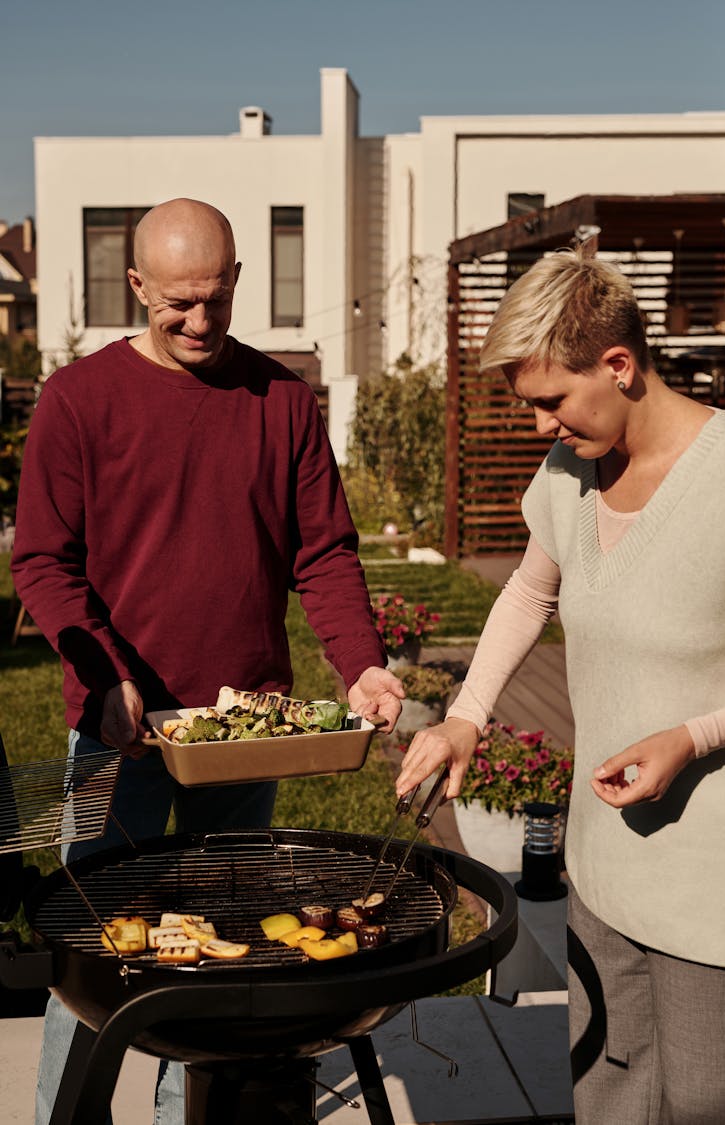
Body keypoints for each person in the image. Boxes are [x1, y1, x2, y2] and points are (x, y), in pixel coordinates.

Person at [11, 197, 404, 1125]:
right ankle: (69, 1116)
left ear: (236, 282)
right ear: (137, 286)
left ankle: (192, 1111)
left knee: (222, 943)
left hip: (240, 736)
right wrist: (106, 676)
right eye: (175, 303)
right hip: (121, 731)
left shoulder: (283, 403)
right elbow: (41, 560)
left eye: (214, 300)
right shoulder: (78, 401)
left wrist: (362, 665)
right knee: (102, 953)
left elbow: (325, 554)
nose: (197, 322)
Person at [397, 249, 725, 1124]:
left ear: (619, 365)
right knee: (606, 1092)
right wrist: (466, 718)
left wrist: (692, 737)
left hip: (719, 887)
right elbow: (529, 590)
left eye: (553, 399)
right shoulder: (567, 475)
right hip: (601, 867)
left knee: (708, 1100)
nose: (542, 425)